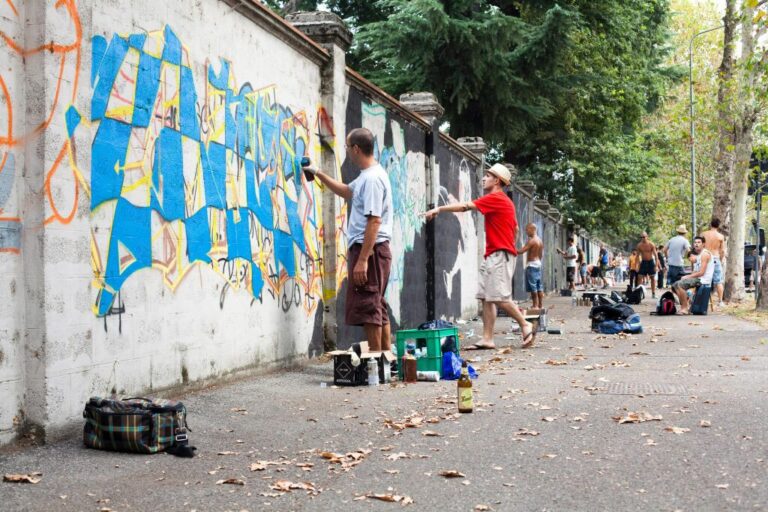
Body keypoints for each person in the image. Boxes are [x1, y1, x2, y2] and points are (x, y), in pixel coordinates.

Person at [423, 163, 536, 349]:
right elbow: (515, 228)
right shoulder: (504, 201)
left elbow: (466, 206)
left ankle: (525, 324)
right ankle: (487, 338)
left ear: (497, 181)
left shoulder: (495, 197)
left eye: (487, 176)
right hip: (495, 253)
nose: (483, 178)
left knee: (499, 297)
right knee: (486, 296)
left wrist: (439, 209)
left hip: (500, 254)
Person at [302, 128, 393, 351]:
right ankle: (385, 360)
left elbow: (374, 221)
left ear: (356, 149)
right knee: (377, 305)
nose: (347, 152)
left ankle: (376, 362)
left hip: (370, 251)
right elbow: (346, 191)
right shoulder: (367, 176)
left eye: (347, 147)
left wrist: (362, 260)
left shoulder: (372, 179)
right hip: (372, 250)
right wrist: (318, 173)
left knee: (370, 305)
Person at [672, 236, 714, 314]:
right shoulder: (697, 255)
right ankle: (686, 300)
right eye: (695, 242)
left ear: (703, 244)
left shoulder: (705, 254)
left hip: (703, 280)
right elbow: (695, 272)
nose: (696, 244)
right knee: (674, 286)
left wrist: (687, 277)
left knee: (680, 285)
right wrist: (687, 277)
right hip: (698, 278)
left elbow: (701, 273)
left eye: (699, 242)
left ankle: (684, 308)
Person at [701, 218, 727, 307]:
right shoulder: (720, 236)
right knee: (718, 281)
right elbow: (722, 251)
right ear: (718, 226)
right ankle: (720, 301)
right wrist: (721, 258)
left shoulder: (703, 234)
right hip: (715, 258)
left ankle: (699, 298)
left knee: (701, 279)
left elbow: (699, 246)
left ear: (710, 224)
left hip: (705, 257)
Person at [518, 223, 545, 308]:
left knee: (533, 287)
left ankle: (535, 305)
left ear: (532, 229)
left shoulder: (532, 240)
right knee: (539, 286)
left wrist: (511, 249)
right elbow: (541, 255)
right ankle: (540, 305)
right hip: (538, 264)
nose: (526, 232)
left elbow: (522, 251)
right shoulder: (540, 241)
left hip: (532, 265)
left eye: (527, 229)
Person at [636, 232, 660, 298]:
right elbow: (637, 256)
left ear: (647, 237)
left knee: (652, 278)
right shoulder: (639, 245)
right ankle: (638, 294)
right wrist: (637, 266)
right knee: (639, 277)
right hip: (643, 262)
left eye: (644, 237)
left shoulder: (651, 244)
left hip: (650, 262)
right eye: (641, 237)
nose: (642, 238)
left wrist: (656, 265)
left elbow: (656, 256)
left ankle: (653, 294)